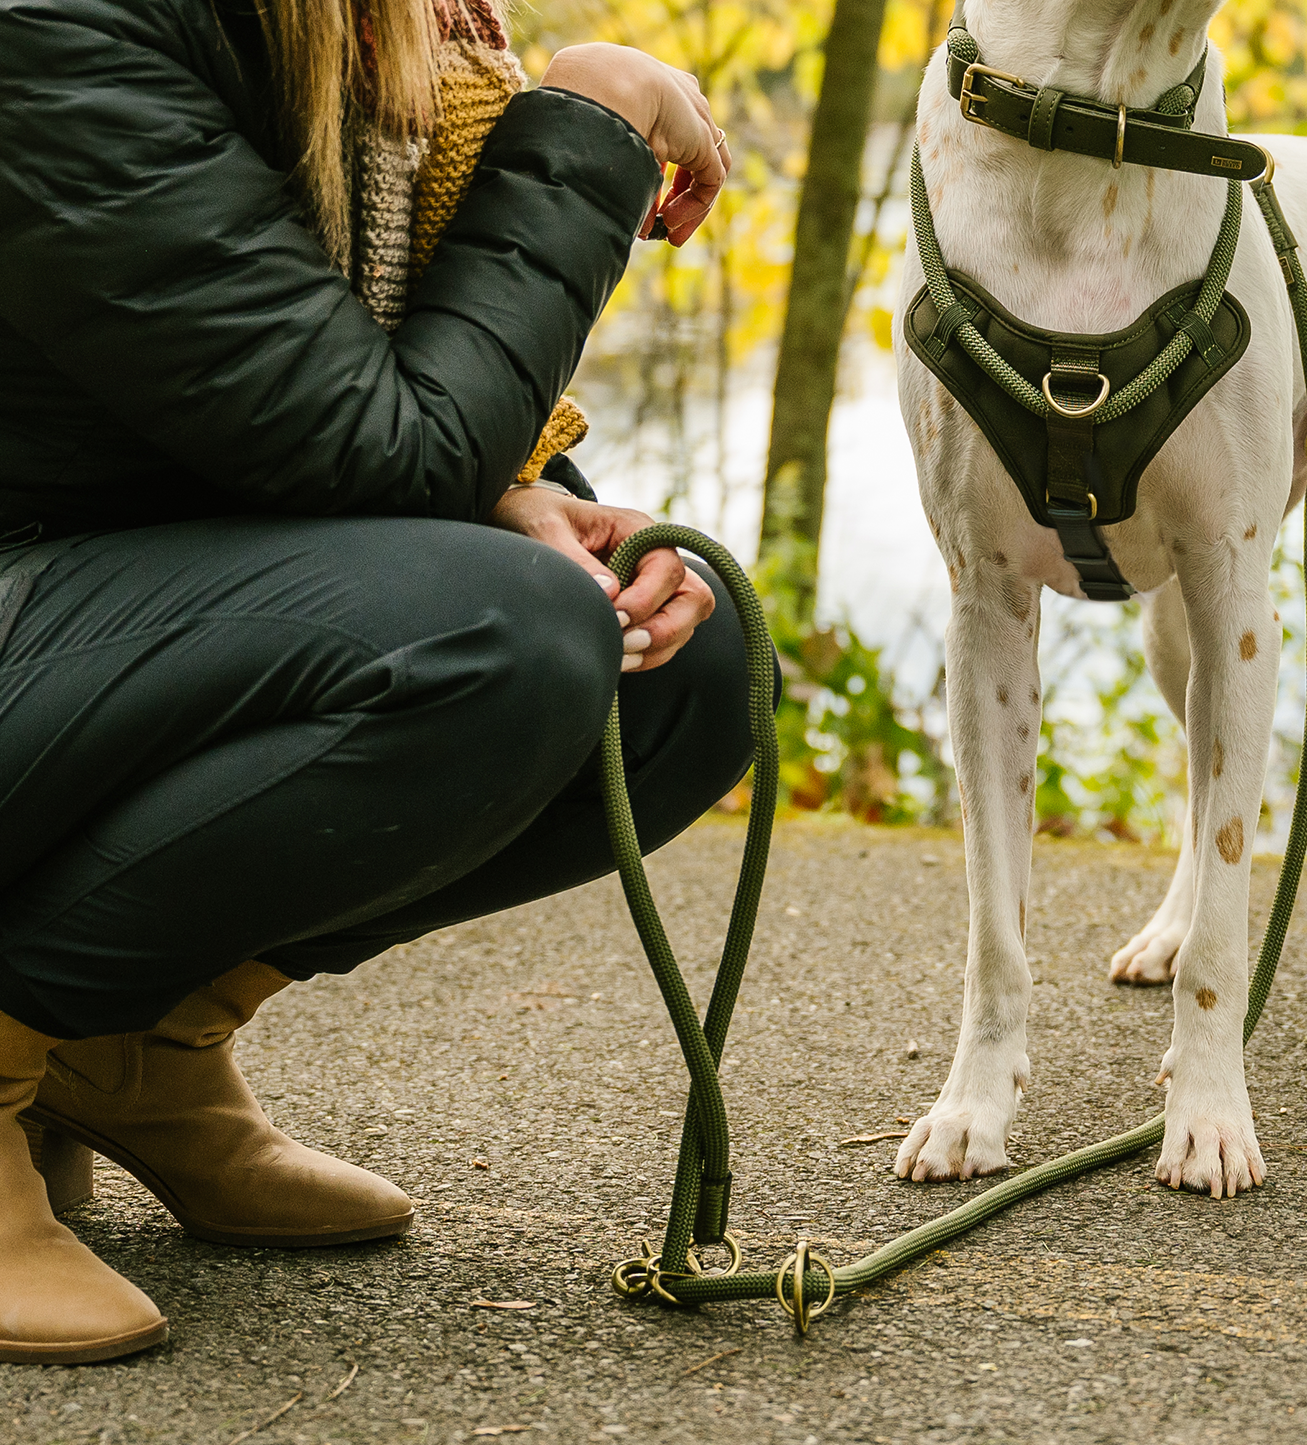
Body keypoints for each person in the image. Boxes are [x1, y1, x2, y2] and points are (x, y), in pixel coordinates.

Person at [0, 0, 759, 1363]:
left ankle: (130, 1045)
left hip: (90, 575)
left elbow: (291, 391)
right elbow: (384, 456)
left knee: (676, 664)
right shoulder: (56, 23)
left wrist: (522, 492)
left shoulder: (353, 34)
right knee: (503, 638)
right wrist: (592, 124)